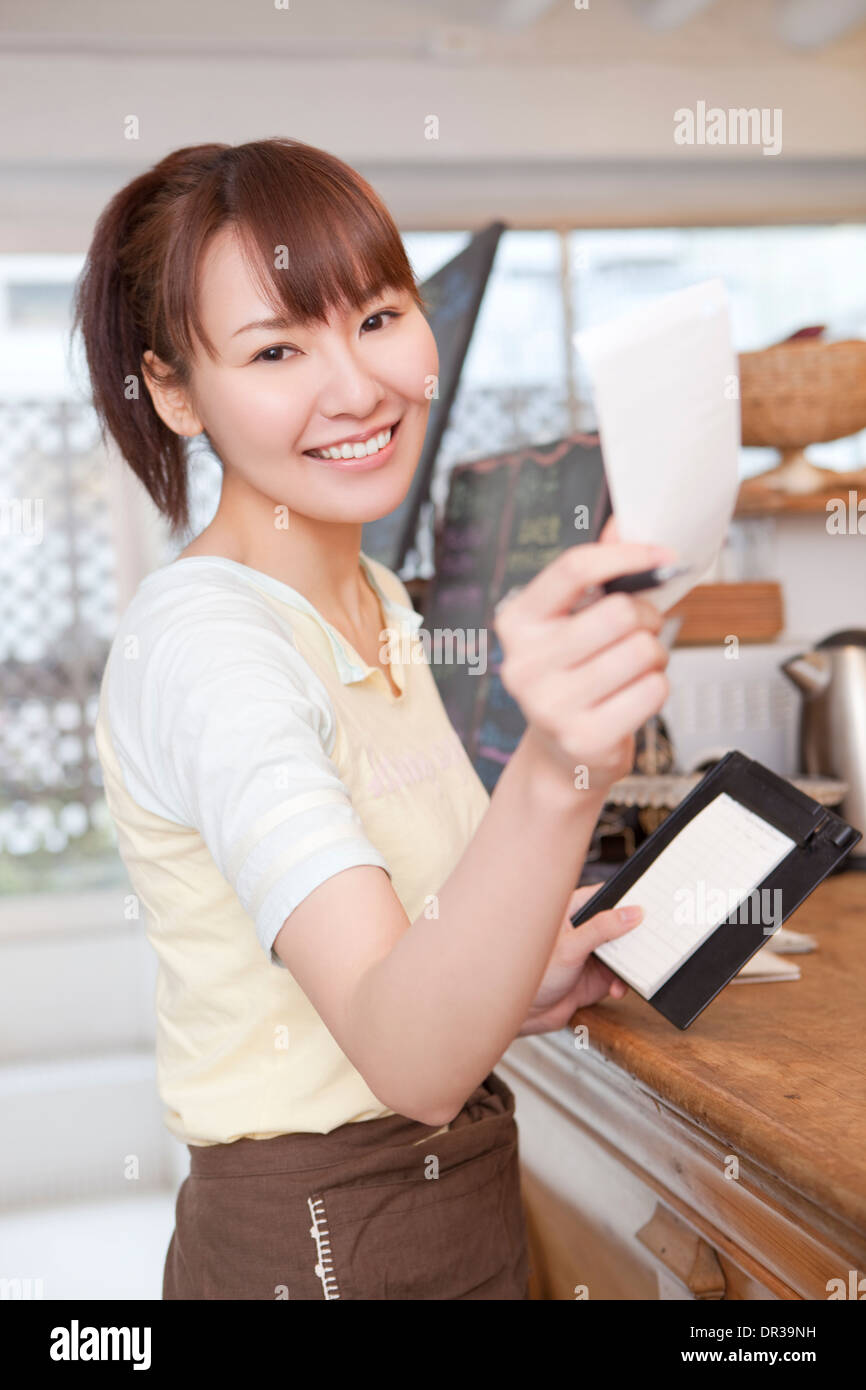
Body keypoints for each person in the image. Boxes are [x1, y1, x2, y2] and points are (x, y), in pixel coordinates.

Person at [72, 137, 674, 1300]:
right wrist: (560, 764)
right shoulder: (210, 646)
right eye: (276, 349)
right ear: (174, 390)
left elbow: (408, 987)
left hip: (460, 1199)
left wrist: (511, 974)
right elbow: (406, 1059)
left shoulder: (370, 594)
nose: (356, 389)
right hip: (324, 1243)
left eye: (380, 316)